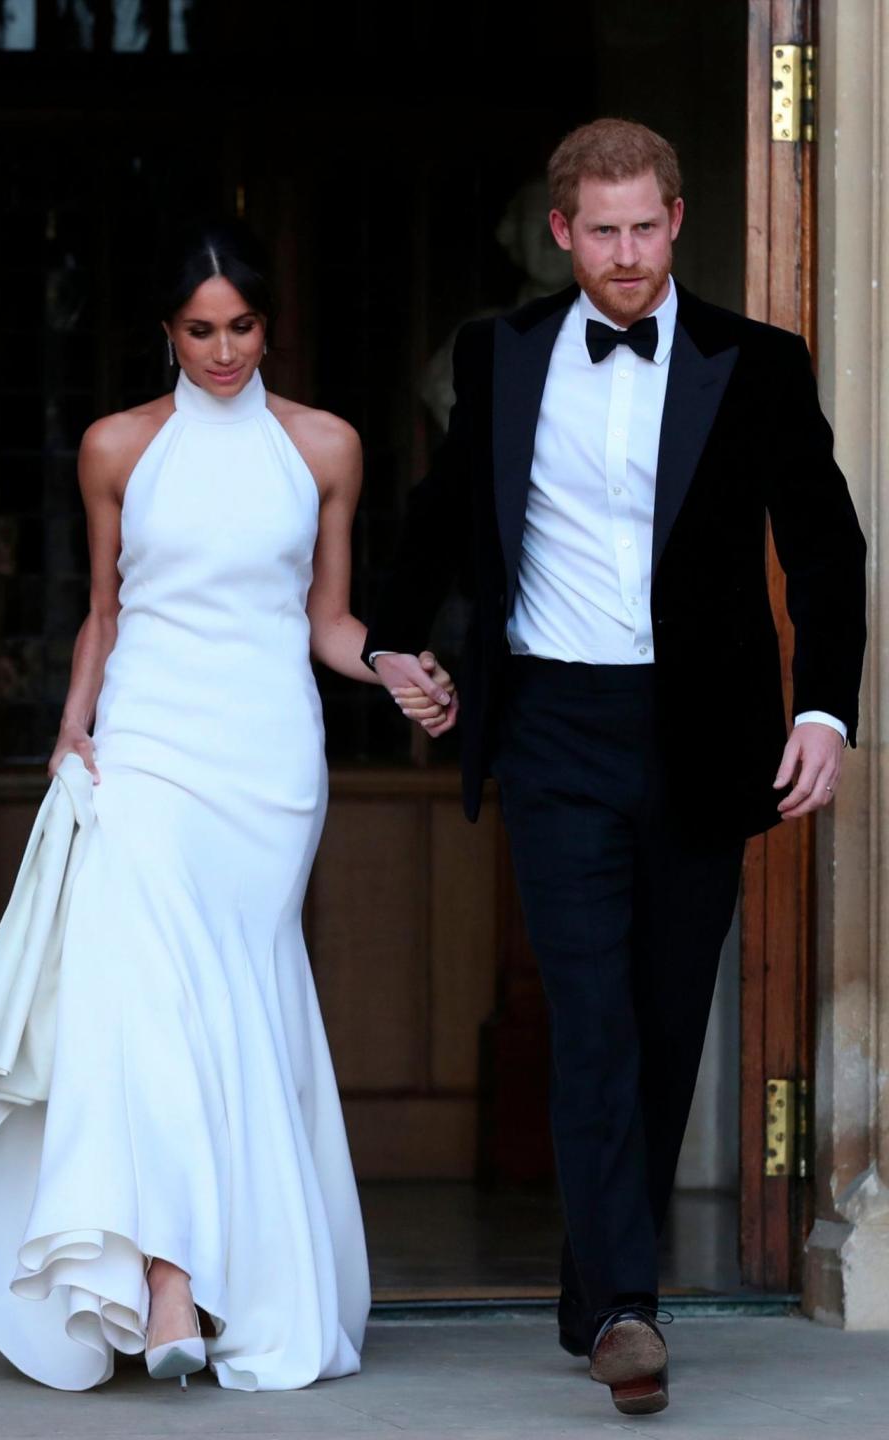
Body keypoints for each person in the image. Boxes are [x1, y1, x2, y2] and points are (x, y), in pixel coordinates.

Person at [364, 119, 867, 1417]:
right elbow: (445, 517)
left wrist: (824, 712)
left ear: (680, 221)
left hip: (701, 738)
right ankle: (632, 1310)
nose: (628, 253)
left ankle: (599, 1292)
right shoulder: (500, 354)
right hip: (554, 733)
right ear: (563, 234)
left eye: (648, 227)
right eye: (604, 230)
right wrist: (389, 642)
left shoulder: (753, 365)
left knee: (656, 1023)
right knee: (588, 1018)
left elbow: (825, 546)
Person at [0, 219, 450, 1393]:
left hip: (268, 768)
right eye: (199, 330)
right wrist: (75, 722)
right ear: (166, 332)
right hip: (148, 748)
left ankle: (236, 1282)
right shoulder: (117, 446)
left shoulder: (324, 446)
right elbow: (107, 608)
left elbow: (325, 620)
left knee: (235, 1009)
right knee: (144, 1002)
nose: (223, 351)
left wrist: (391, 666)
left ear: (267, 325)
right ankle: (170, 1281)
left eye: (242, 327)